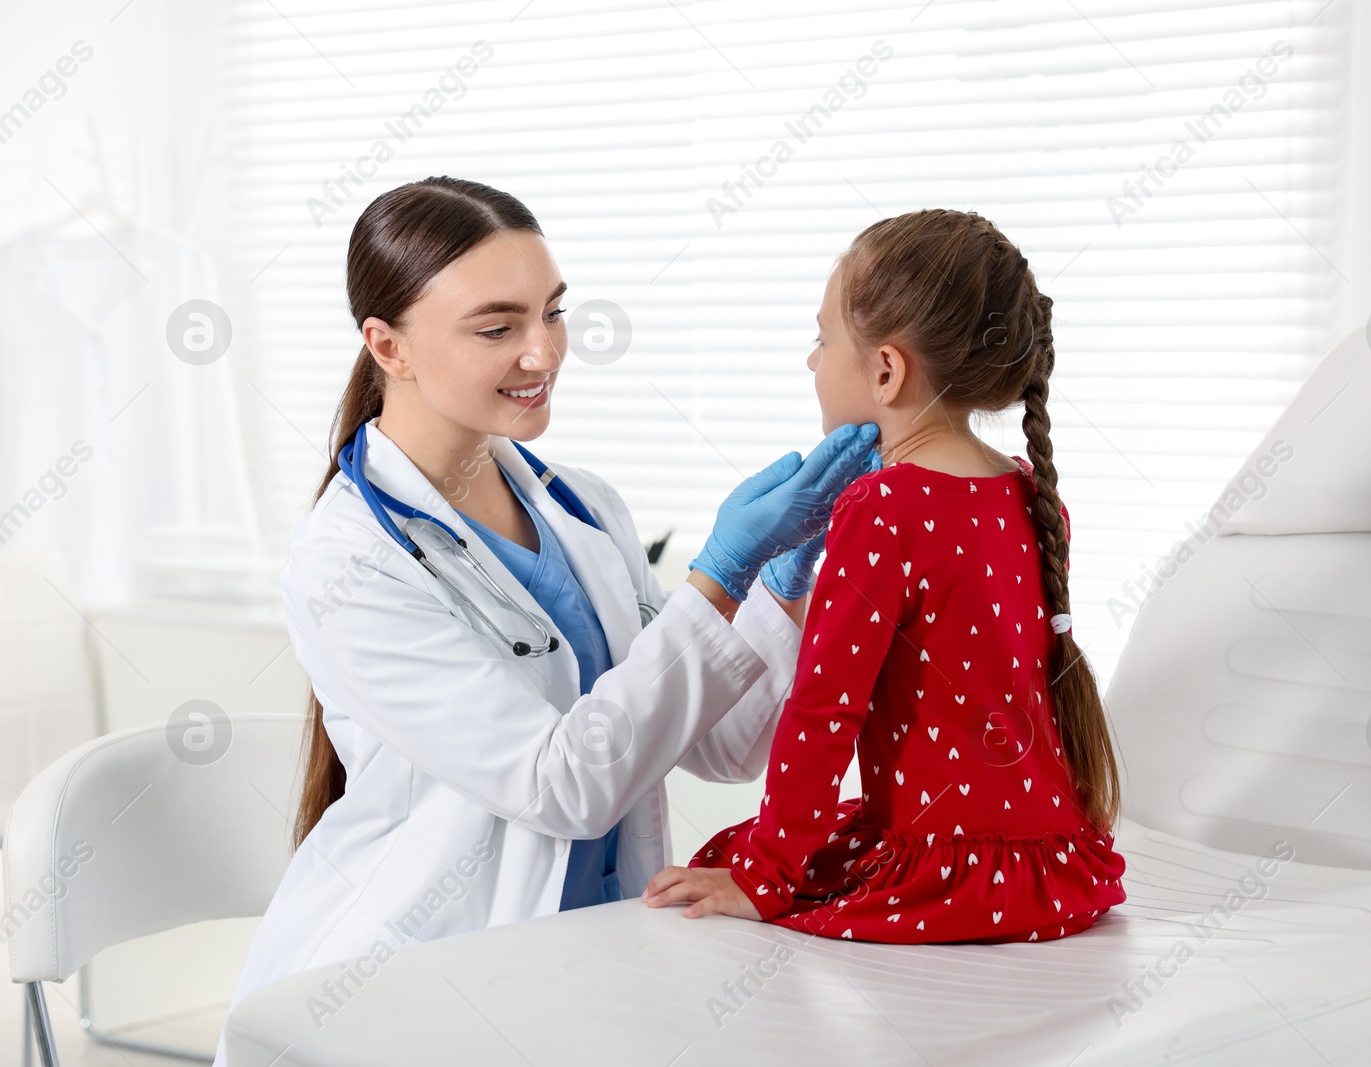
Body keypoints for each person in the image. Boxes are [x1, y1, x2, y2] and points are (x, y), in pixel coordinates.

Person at [221, 176, 878, 1030]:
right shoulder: (348, 560)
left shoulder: (583, 509)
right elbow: (562, 784)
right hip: (411, 986)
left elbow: (720, 744)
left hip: (589, 962)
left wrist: (785, 572)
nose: (544, 352)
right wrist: (718, 574)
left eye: (554, 312)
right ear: (388, 347)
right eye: (499, 328)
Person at [644, 208, 1126, 943]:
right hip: (1048, 870)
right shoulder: (1033, 493)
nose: (812, 361)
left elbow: (824, 709)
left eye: (822, 338)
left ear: (886, 369)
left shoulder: (882, 506)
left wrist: (767, 873)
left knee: (724, 856)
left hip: (944, 873)